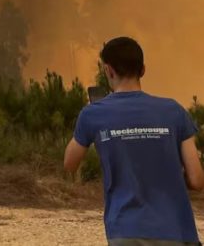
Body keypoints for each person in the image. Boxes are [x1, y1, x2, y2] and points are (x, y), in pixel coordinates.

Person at [64, 37, 204, 245]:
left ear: (108, 71)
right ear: (143, 70)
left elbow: (69, 165)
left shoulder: (93, 114)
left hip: (125, 231)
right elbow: (197, 180)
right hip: (176, 231)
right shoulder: (173, 111)